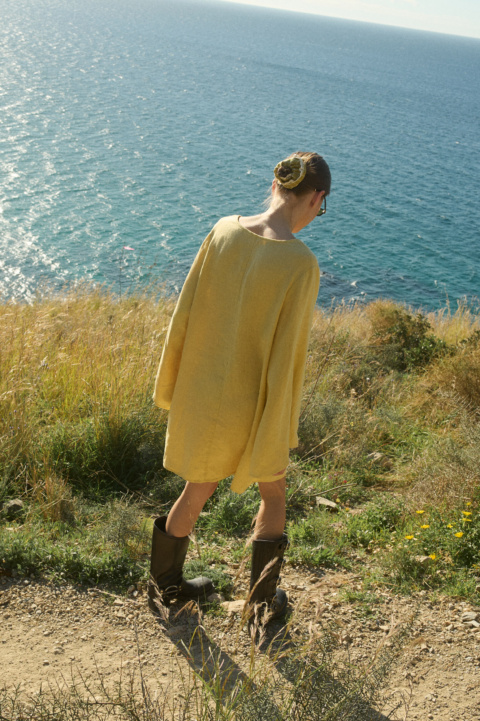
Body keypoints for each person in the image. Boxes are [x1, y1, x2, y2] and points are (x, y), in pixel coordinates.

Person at [149, 152, 331, 622]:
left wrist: (174, 379)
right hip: (254, 405)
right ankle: (261, 606)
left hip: (205, 393)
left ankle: (168, 592)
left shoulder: (223, 229)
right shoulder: (300, 263)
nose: (316, 215)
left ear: (276, 186)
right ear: (315, 198)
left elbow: (184, 313)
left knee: (197, 489)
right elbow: (287, 354)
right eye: (321, 207)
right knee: (274, 494)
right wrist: (280, 417)